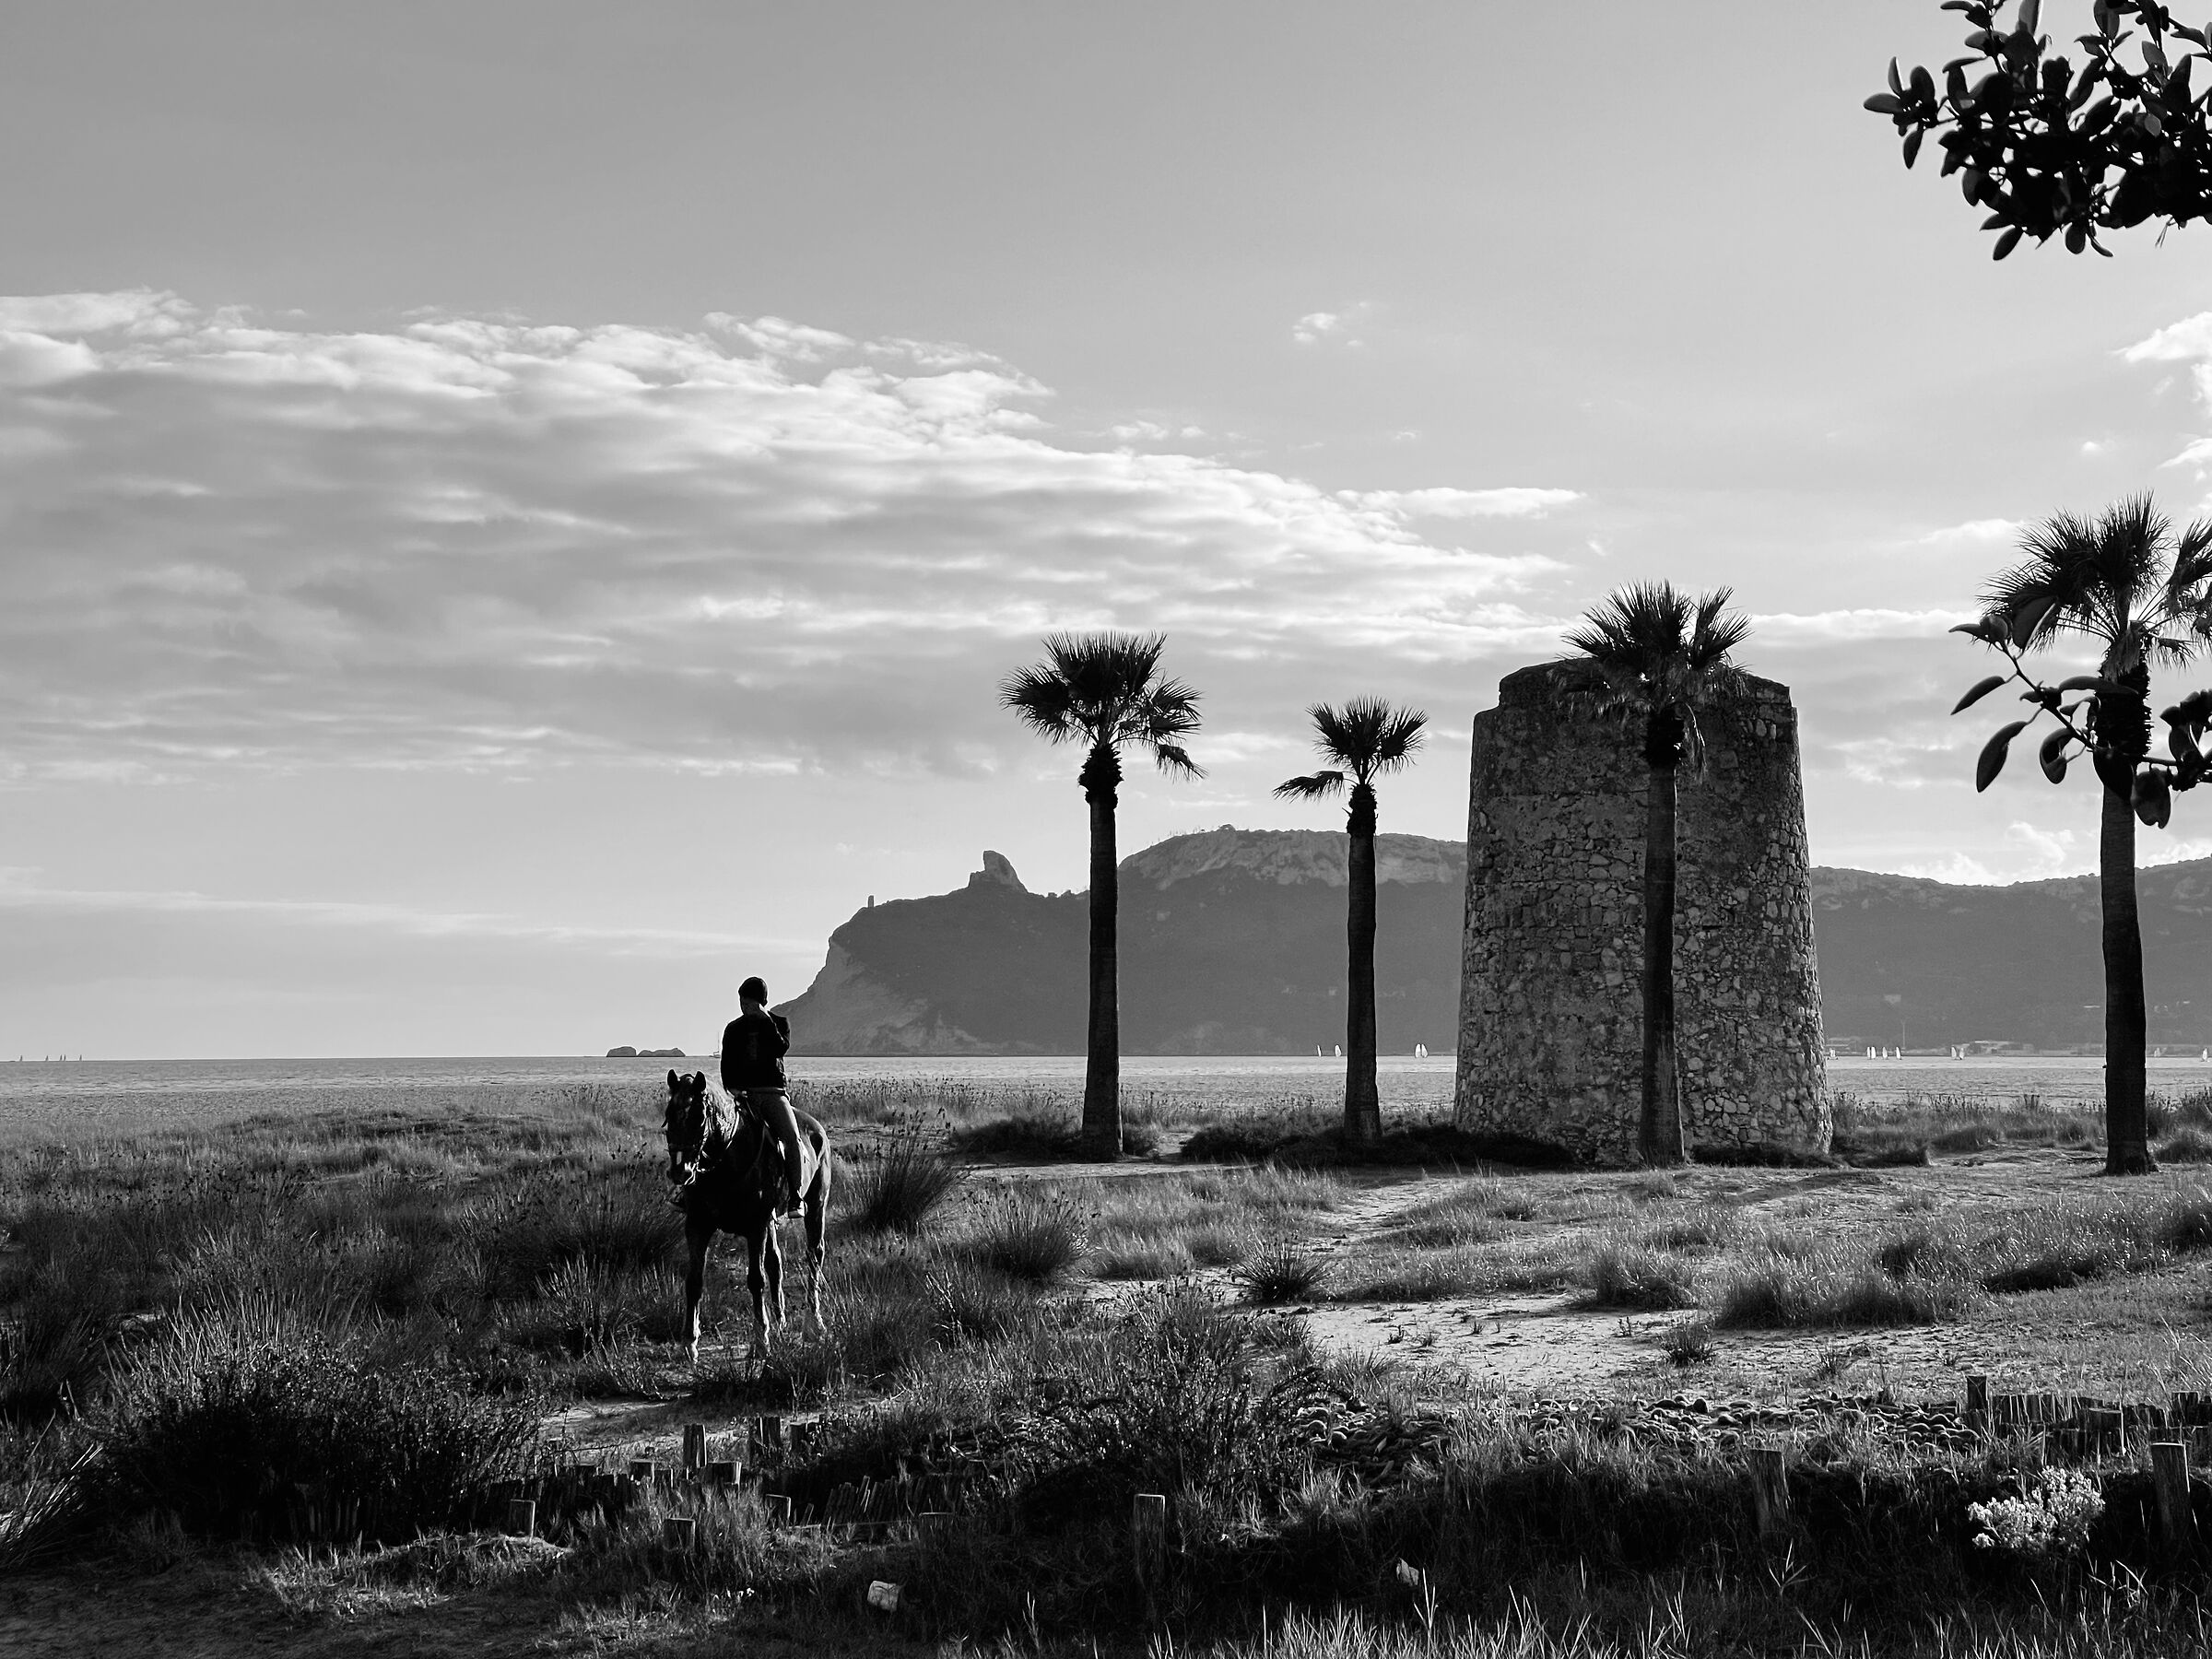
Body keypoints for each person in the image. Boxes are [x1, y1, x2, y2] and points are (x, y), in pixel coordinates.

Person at [722, 976, 806, 1214]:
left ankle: (795, 1196)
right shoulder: (733, 1028)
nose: (744, 1008)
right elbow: (726, 1065)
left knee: (792, 1138)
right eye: (742, 1003)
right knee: (713, 1135)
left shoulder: (779, 1023)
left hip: (772, 1094)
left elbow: (781, 1049)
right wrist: (732, 1088)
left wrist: (766, 1021)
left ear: (762, 1003)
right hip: (742, 1096)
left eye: (749, 1004)